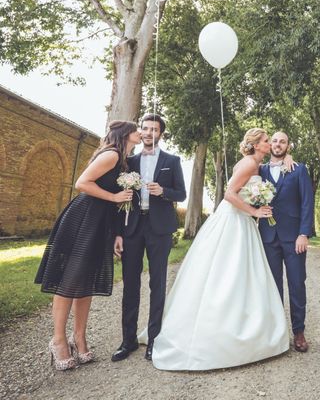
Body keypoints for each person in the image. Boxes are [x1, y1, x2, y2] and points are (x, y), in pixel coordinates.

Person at [149, 128, 289, 370]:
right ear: (256, 145)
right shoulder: (247, 164)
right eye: (267, 141)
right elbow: (229, 194)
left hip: (243, 222)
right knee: (227, 273)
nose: (269, 144)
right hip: (233, 221)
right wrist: (254, 211)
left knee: (246, 275)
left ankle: (248, 327)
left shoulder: (256, 164)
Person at [35, 121, 141, 370]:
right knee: (70, 280)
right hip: (83, 219)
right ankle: (59, 339)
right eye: (137, 129)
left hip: (101, 223)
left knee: (86, 283)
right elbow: (82, 183)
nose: (141, 133)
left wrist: (116, 232)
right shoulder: (112, 154)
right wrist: (114, 196)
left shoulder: (123, 160)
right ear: (126, 134)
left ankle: (79, 336)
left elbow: (116, 204)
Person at [111, 113, 186, 362]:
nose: (149, 133)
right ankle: (127, 340)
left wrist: (164, 191)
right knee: (130, 285)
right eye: (145, 128)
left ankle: (155, 340)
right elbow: (118, 200)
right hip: (132, 228)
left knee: (158, 284)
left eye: (154, 129)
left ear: (161, 134)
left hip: (160, 229)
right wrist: (117, 234)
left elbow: (182, 194)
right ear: (140, 131)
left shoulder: (172, 161)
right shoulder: (127, 161)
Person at [258, 131, 314, 352]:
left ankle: (299, 332)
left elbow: (307, 203)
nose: (278, 144)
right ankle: (277, 332)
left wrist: (304, 233)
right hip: (268, 237)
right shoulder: (259, 170)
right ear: (269, 144)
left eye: (282, 141)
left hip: (293, 238)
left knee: (297, 284)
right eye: (274, 141)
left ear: (288, 146)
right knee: (272, 286)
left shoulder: (298, 169)